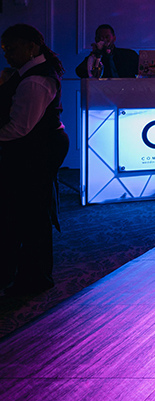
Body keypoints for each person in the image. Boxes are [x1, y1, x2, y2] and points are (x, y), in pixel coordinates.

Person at [0, 24, 71, 296]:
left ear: (32, 47)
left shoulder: (35, 81)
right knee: (28, 211)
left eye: (12, 48)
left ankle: (34, 278)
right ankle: (29, 275)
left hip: (37, 149)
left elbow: (20, 128)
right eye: (5, 49)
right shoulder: (28, 74)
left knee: (30, 214)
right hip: (39, 145)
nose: (7, 54)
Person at [74, 24, 139, 79]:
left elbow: (142, 71)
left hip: (128, 91)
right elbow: (80, 72)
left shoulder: (128, 55)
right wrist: (95, 54)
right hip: (104, 92)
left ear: (114, 38)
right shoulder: (96, 58)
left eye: (107, 37)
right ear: (96, 39)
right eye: (100, 38)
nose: (104, 40)